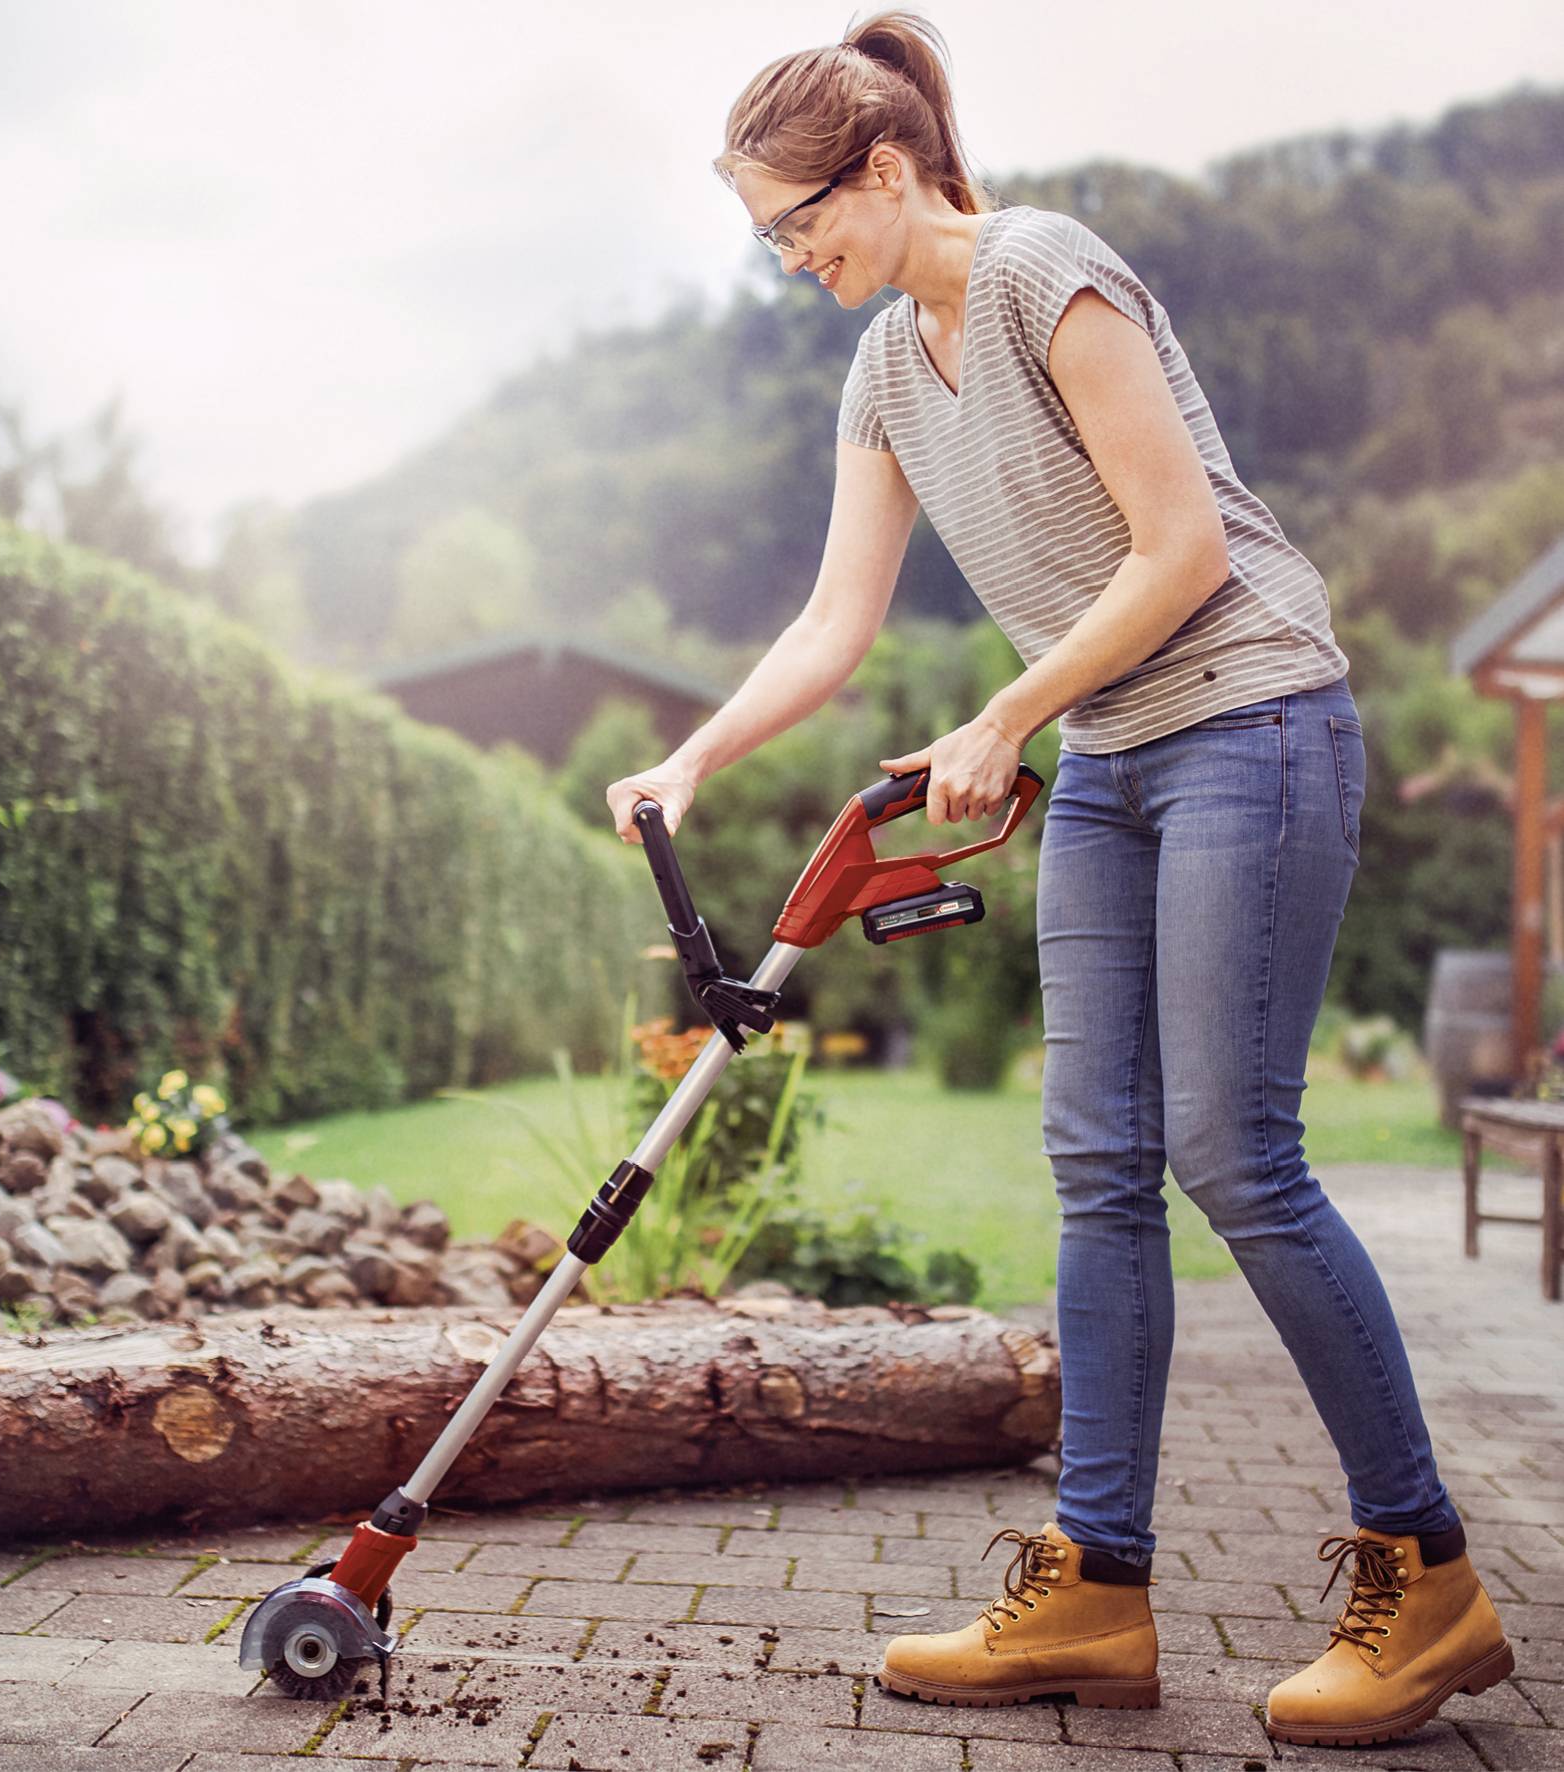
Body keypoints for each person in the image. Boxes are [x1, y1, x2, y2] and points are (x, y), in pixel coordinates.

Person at [602, 6, 1516, 1750]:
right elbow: (833, 619)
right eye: (769, 239)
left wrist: (1008, 709)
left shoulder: (1044, 270)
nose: (794, 260)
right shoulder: (883, 369)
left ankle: (1430, 1575)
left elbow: (1179, 548)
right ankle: (1097, 1589)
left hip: (1252, 717)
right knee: (1096, 1163)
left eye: (805, 222)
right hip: (1105, 765)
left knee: (1232, 1156)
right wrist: (695, 759)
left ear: (884, 169)